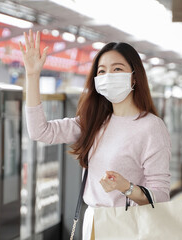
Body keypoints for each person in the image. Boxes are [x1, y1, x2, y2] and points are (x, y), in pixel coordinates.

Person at [19, 29, 171, 240]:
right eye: (101, 71)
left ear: (134, 78)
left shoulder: (151, 127)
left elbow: (161, 196)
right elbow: (40, 131)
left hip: (129, 227)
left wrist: (126, 188)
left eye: (117, 69)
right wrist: (32, 75)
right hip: (92, 223)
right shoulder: (94, 122)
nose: (108, 76)